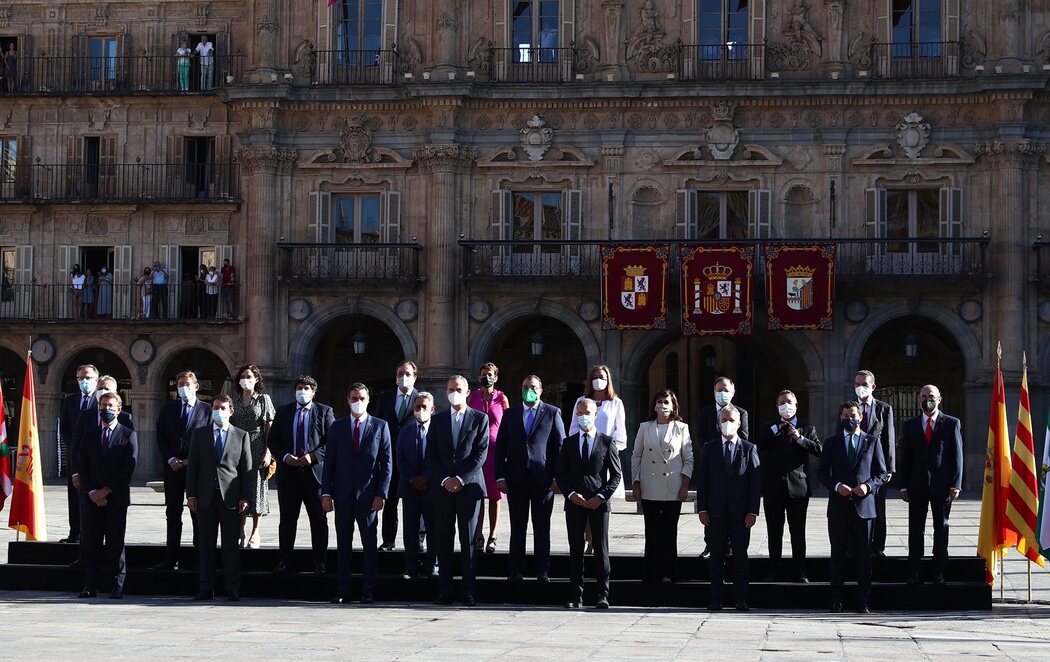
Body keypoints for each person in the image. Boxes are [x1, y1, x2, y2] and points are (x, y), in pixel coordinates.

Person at [322, 383, 392, 604]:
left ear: (368, 399)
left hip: (368, 495)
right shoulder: (337, 427)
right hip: (342, 495)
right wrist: (325, 493)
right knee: (343, 544)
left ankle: (368, 590)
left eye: (361, 398)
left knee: (370, 544)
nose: (357, 402)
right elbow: (329, 463)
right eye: (354, 398)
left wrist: (382, 493)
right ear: (347, 400)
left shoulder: (381, 426)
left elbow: (387, 463)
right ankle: (343, 590)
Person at [494, 374, 565, 582]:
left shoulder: (552, 413)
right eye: (525, 386)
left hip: (542, 479)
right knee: (518, 526)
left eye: (532, 387)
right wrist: (500, 476)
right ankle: (516, 569)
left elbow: (559, 447)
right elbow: (501, 448)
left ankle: (542, 569)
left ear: (540, 390)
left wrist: (557, 477)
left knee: (541, 526)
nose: (528, 390)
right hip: (516, 478)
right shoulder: (510, 414)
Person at [818, 401, 886, 614]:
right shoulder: (831, 443)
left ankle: (862, 600)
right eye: (846, 415)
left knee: (864, 557)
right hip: (839, 508)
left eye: (853, 415)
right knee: (837, 555)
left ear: (861, 417)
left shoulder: (872, 441)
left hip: (864, 508)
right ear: (841, 418)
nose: (850, 419)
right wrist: (837, 486)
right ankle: (836, 599)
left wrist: (867, 487)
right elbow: (821, 473)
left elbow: (881, 473)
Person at [427, 375, 488, 607]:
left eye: (458, 388)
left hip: (469, 487)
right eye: (451, 388)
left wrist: (460, 479)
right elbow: (431, 455)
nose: (454, 392)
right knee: (444, 540)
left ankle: (468, 591)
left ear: (467, 392)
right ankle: (445, 590)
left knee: (468, 541)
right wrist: (445, 479)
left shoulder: (479, 419)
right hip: (443, 489)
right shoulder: (438, 420)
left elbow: (480, 454)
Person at [556, 398, 622, 609]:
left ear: (596, 415)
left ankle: (602, 594)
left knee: (601, 549)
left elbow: (616, 475)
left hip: (598, 502)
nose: (583, 416)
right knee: (576, 548)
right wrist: (571, 494)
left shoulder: (606, 442)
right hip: (575, 502)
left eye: (587, 413)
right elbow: (561, 474)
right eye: (580, 413)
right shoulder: (569, 443)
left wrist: (602, 496)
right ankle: (576, 595)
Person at [186, 395, 252, 601]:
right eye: (215, 408)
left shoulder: (241, 435)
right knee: (205, 545)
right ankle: (206, 587)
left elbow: (246, 469)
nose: (219, 411)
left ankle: (232, 587)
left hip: (230, 498)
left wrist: (245, 496)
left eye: (223, 408)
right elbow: (193, 466)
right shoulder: (200, 434)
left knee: (230, 546)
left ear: (231, 411)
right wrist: (191, 494)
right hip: (205, 497)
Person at [696, 406, 760, 612]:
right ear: (717, 423)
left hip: (741, 513)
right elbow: (703, 480)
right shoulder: (710, 448)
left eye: (731, 419)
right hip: (715, 512)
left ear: (739, 423)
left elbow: (755, 483)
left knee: (740, 556)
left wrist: (753, 511)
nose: (727, 423)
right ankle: (716, 598)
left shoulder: (749, 448)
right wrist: (702, 508)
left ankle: (741, 598)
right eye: (723, 419)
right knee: (716, 556)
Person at [898, 384, 963, 585]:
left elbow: (957, 455)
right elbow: (905, 457)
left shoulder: (951, 423)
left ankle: (939, 571)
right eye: (924, 396)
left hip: (942, 486)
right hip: (916, 486)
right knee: (916, 530)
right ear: (919, 399)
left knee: (941, 528)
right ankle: (914, 571)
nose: (928, 399)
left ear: (939, 398)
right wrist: (903, 485)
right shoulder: (910, 425)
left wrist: (956, 484)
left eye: (932, 396)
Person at [270, 375, 335, 574]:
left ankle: (320, 561)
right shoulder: (283, 412)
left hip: (313, 476)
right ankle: (285, 559)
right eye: (299, 387)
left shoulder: (324, 411)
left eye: (306, 388)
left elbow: (331, 441)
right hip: (289, 475)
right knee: (287, 520)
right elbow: (273, 441)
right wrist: (285, 456)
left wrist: (314, 456)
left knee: (318, 519)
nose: (302, 391)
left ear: (314, 391)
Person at [756, 389, 821, 582]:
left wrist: (799, 438)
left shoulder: (807, 428)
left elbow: (819, 449)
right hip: (773, 486)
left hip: (797, 487)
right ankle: (774, 567)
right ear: (777, 406)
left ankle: (799, 570)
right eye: (782, 402)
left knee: (797, 531)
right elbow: (759, 445)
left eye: (789, 402)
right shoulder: (769, 427)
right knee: (774, 530)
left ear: (796, 405)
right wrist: (778, 429)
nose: (786, 406)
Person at [77, 391, 137, 600]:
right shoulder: (90, 434)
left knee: (115, 543)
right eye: (103, 406)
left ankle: (117, 584)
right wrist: (93, 491)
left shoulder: (128, 434)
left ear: (119, 409)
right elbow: (82, 466)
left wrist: (107, 491)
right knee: (91, 542)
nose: (106, 409)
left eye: (111, 406)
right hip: (91, 498)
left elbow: (128, 468)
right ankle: (90, 584)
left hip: (116, 498)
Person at [631, 389, 693, 583]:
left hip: (672, 487)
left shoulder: (681, 428)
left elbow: (688, 459)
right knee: (651, 531)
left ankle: (669, 572)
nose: (663, 405)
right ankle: (650, 572)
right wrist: (636, 482)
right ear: (654, 404)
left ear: (673, 405)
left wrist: (684, 485)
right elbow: (637, 455)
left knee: (669, 531)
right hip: (649, 486)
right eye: (659, 401)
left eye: (667, 402)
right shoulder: (645, 427)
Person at [152, 371, 212, 570]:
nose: (183, 387)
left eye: (187, 383)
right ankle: (171, 557)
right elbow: (161, 437)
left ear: (196, 386)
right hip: (173, 468)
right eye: (179, 384)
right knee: (173, 513)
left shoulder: (207, 410)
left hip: (196, 469)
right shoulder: (168, 409)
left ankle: (199, 558)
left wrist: (191, 461)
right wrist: (169, 459)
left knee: (198, 513)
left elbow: (211, 440)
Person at [568, 364, 627, 553]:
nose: (598, 379)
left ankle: (596, 538)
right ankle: (586, 538)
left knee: (600, 499)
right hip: (583, 455)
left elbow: (621, 431)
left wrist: (609, 450)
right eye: (595, 376)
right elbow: (573, 428)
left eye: (602, 376)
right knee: (584, 497)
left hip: (605, 457)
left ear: (608, 379)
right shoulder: (582, 401)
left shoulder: (616, 403)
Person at [694, 376, 750, 559]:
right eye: (719, 390)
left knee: (732, 508)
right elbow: (699, 436)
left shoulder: (741, 413)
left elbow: (745, 438)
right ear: (714, 392)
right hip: (712, 464)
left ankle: (732, 546)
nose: (722, 393)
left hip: (733, 466)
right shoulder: (705, 412)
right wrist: (711, 452)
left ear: (733, 393)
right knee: (712, 508)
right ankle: (709, 545)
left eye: (726, 390)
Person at [375, 360, 419, 552]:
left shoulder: (422, 399)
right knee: (389, 501)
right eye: (400, 373)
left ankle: (418, 541)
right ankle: (388, 541)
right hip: (389, 458)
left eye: (408, 374)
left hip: (413, 460)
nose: (404, 377)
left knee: (415, 504)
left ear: (415, 377)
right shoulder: (385, 398)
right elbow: (377, 426)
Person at [230, 364, 275, 548]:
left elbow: (269, 427)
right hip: (237, 447)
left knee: (257, 488)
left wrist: (268, 451)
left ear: (256, 379)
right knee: (239, 487)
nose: (246, 379)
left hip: (257, 446)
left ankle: (255, 532)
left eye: (249, 376)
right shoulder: (235, 401)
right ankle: (240, 529)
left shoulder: (263, 399)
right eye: (243, 376)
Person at [853, 370, 896, 558]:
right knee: (853, 507)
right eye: (857, 384)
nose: (860, 387)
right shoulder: (849, 407)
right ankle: (853, 546)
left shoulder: (884, 408)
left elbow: (889, 440)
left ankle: (878, 547)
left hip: (876, 467)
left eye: (864, 384)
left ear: (873, 386)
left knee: (878, 508)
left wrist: (889, 468)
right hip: (854, 467)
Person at [469, 362, 510, 553]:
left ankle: (492, 535)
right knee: (478, 495)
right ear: (479, 377)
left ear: (496, 376)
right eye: (484, 374)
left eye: (491, 374)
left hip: (495, 452)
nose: (487, 377)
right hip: (477, 452)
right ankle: (478, 536)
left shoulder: (501, 398)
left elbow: (508, 424)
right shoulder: (473, 397)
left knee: (494, 496)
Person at [396, 392, 438, 579]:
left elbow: (440, 457)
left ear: (432, 409)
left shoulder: (438, 430)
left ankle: (432, 565)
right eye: (417, 407)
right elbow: (400, 459)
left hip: (433, 487)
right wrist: (413, 478)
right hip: (410, 487)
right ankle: (411, 566)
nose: (421, 410)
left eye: (424, 407)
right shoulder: (405, 431)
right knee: (410, 528)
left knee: (434, 527)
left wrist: (426, 477)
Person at [59, 364, 98, 545]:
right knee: (73, 495)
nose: (84, 381)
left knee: (91, 493)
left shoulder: (102, 401)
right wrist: (73, 446)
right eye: (81, 378)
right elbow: (65, 426)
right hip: (75, 456)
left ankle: (90, 532)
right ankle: (74, 532)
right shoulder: (71, 400)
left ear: (96, 380)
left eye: (88, 378)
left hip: (95, 457)